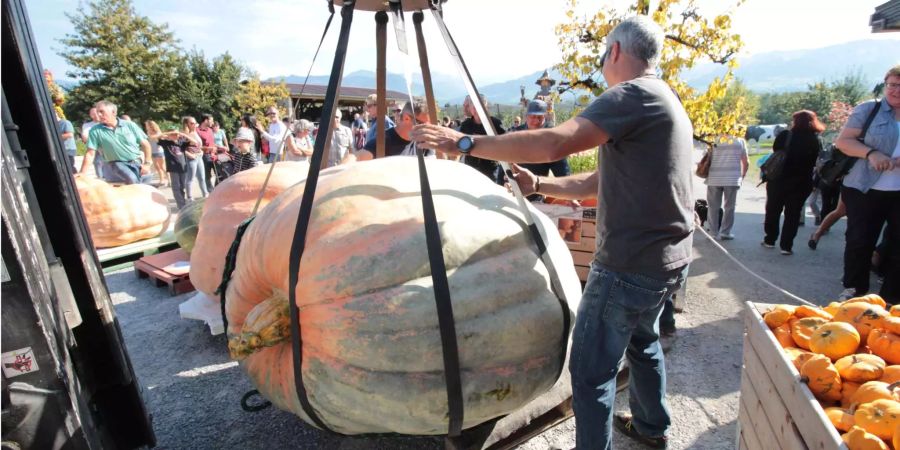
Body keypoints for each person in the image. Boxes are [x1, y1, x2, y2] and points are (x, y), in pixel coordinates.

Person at [412, 16, 692, 448]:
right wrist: (540, 185)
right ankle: (653, 428)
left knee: (591, 373)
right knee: (643, 342)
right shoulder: (664, 99)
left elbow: (555, 143)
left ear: (615, 51)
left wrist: (464, 143)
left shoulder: (630, 96)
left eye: (603, 55)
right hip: (666, 261)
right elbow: (597, 183)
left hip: (628, 265)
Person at [834, 64, 900, 303]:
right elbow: (844, 142)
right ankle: (854, 290)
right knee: (859, 241)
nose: (896, 90)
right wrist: (872, 153)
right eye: (892, 85)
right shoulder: (868, 109)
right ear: (885, 85)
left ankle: (892, 298)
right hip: (863, 188)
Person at [762, 110, 824, 255]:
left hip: (779, 179)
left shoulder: (785, 135)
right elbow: (815, 160)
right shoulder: (815, 139)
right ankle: (786, 245)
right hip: (801, 182)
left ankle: (770, 239)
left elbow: (776, 150)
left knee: (773, 209)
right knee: (793, 214)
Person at [79, 100, 152, 184]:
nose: (99, 115)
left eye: (102, 112)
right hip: (116, 165)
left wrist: (147, 164)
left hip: (137, 163)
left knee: (145, 187)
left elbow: (146, 145)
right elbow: (90, 154)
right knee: (133, 181)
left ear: (113, 112)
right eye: (98, 112)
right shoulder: (95, 130)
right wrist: (82, 173)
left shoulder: (129, 125)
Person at [511, 100, 571, 200]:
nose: (536, 121)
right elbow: (503, 161)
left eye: (540, 117)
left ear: (545, 117)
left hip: (536, 192)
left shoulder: (551, 138)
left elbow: (561, 170)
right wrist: (500, 184)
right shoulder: (515, 135)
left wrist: (570, 194)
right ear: (526, 116)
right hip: (513, 189)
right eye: (533, 117)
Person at [346, 99, 435, 162]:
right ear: (406, 118)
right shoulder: (383, 142)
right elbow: (355, 158)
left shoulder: (424, 142)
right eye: (424, 125)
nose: (428, 130)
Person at [706, 135, 750, 240]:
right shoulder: (740, 141)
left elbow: (707, 157)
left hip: (714, 178)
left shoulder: (714, 139)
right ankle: (725, 232)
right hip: (732, 178)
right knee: (729, 207)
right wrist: (742, 175)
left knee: (713, 207)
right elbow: (746, 162)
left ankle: (713, 232)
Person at [458, 93, 506, 184]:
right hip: (471, 168)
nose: (477, 110)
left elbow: (505, 143)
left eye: (481, 107)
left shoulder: (495, 124)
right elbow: (460, 145)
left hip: (491, 168)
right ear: (471, 109)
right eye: (474, 107)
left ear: (486, 107)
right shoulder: (465, 125)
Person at [157, 127, 190, 209]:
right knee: (176, 187)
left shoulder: (181, 142)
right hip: (173, 167)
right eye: (173, 134)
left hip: (182, 167)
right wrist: (168, 133)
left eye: (176, 134)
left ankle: (183, 202)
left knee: (182, 186)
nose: (174, 136)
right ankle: (181, 205)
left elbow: (195, 142)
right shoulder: (166, 143)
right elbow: (155, 137)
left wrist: (182, 134)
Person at [179, 116, 206, 201]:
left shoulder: (196, 132)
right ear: (187, 124)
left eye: (195, 123)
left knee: (202, 177)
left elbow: (199, 145)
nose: (194, 125)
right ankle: (190, 197)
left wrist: (201, 151)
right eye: (192, 123)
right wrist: (189, 154)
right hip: (191, 158)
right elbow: (180, 148)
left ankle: (205, 194)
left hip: (199, 157)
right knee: (190, 178)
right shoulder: (183, 135)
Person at [143, 120, 169, 187]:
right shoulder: (148, 132)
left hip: (158, 151)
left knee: (162, 167)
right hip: (153, 151)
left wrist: (160, 135)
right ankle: (162, 180)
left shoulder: (158, 132)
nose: (146, 126)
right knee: (157, 167)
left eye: (147, 125)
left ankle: (169, 180)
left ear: (151, 125)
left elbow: (160, 136)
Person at [196, 114, 218, 189]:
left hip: (214, 155)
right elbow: (196, 147)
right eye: (211, 120)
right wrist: (209, 148)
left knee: (219, 173)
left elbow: (212, 142)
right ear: (206, 120)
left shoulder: (210, 130)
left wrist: (218, 147)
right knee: (207, 175)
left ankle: (217, 189)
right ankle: (210, 191)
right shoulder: (197, 131)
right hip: (204, 156)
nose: (213, 122)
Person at [81, 107, 103, 178]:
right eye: (93, 114)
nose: (96, 115)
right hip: (94, 148)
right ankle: (101, 178)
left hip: (106, 147)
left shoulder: (105, 123)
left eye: (97, 112)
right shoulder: (87, 125)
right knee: (98, 163)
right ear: (90, 115)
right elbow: (85, 137)